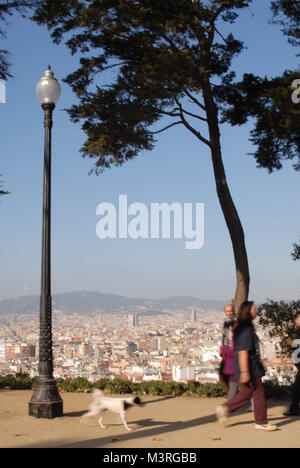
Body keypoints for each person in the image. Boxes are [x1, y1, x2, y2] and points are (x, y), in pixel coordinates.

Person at [216, 301, 277, 432]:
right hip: (249, 366)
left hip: (248, 365)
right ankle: (261, 421)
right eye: (254, 308)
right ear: (248, 311)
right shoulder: (245, 329)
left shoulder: (242, 327)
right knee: (259, 392)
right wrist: (244, 371)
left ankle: (226, 408)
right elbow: (243, 350)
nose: (256, 310)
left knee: (247, 392)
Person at [283, 311, 300, 417]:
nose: (296, 320)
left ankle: (294, 409)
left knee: (297, 387)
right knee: (297, 388)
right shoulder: (297, 331)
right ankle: (294, 409)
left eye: (297, 318)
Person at [220, 304, 237, 401]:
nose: (229, 313)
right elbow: (224, 337)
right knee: (233, 381)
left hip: (234, 353)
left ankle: (229, 403)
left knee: (235, 380)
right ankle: (230, 402)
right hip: (228, 354)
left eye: (230, 311)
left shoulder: (236, 322)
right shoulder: (226, 322)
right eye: (227, 311)